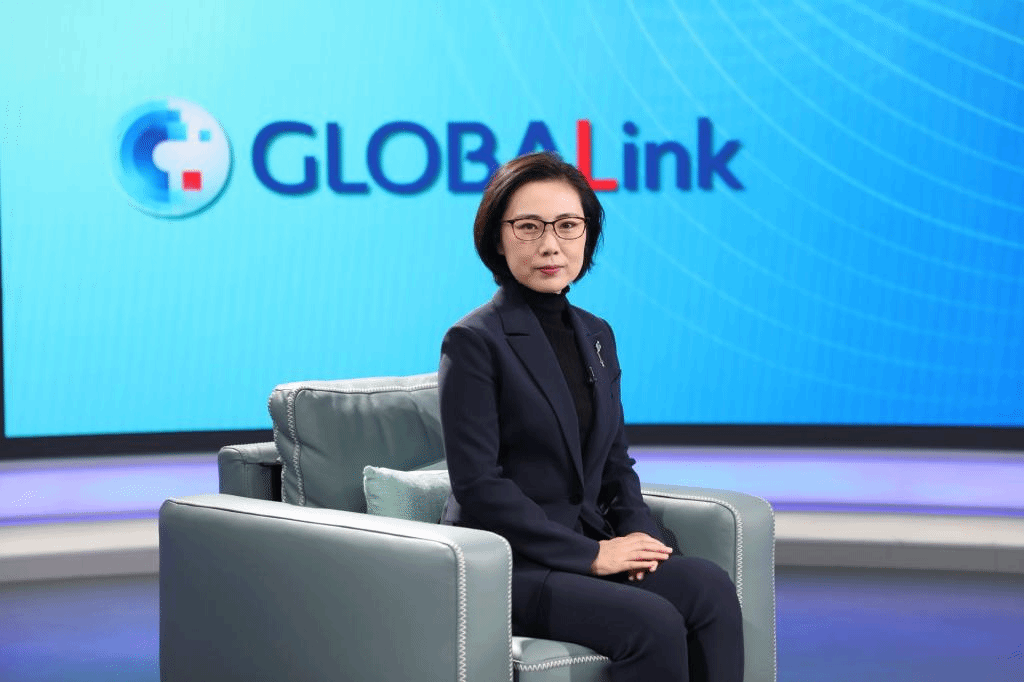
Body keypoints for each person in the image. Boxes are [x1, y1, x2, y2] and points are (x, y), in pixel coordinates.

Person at [439, 151, 744, 681]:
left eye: (567, 225)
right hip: (516, 562)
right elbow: (478, 485)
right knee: (652, 622)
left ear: (587, 234)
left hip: (589, 543)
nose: (550, 244)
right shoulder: (472, 341)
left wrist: (640, 538)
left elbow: (614, 463)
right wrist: (591, 555)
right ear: (497, 238)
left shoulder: (596, 334)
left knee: (709, 588)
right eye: (528, 227)